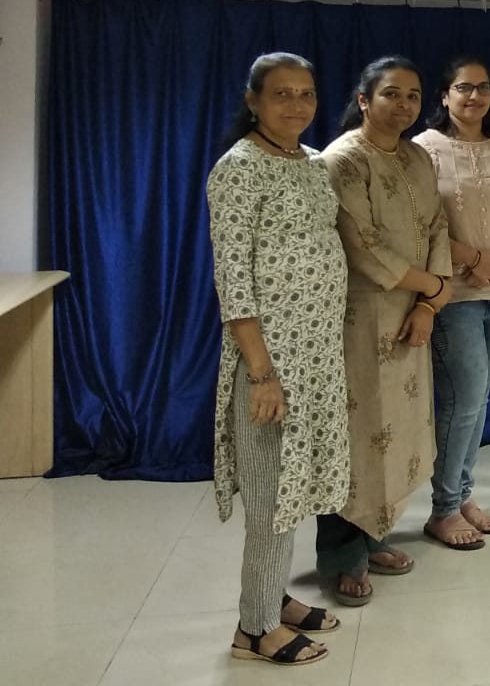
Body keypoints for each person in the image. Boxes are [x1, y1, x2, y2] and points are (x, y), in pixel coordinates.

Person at [207, 53, 348, 665]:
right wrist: (261, 373)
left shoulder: (314, 163)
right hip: (270, 362)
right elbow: (234, 282)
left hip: (317, 357)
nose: (296, 104)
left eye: (307, 93)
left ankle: (275, 598)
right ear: (253, 100)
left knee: (296, 488)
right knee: (270, 495)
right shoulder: (237, 169)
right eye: (282, 93)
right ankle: (255, 629)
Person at [319, 57, 452, 605]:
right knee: (356, 436)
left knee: (395, 435)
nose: (404, 104)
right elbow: (363, 246)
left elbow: (438, 224)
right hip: (360, 318)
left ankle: (374, 539)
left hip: (413, 312)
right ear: (364, 99)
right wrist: (435, 286)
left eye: (413, 95)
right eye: (391, 93)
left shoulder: (417, 155)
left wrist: (430, 302)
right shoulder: (343, 160)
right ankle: (341, 557)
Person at [413, 56, 490, 550]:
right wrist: (473, 258)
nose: (474, 96)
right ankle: (443, 510)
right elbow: (419, 226)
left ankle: (461, 496)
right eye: (463, 88)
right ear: (444, 96)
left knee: (478, 399)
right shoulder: (424, 150)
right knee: (462, 401)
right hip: (452, 296)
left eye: (482, 88)